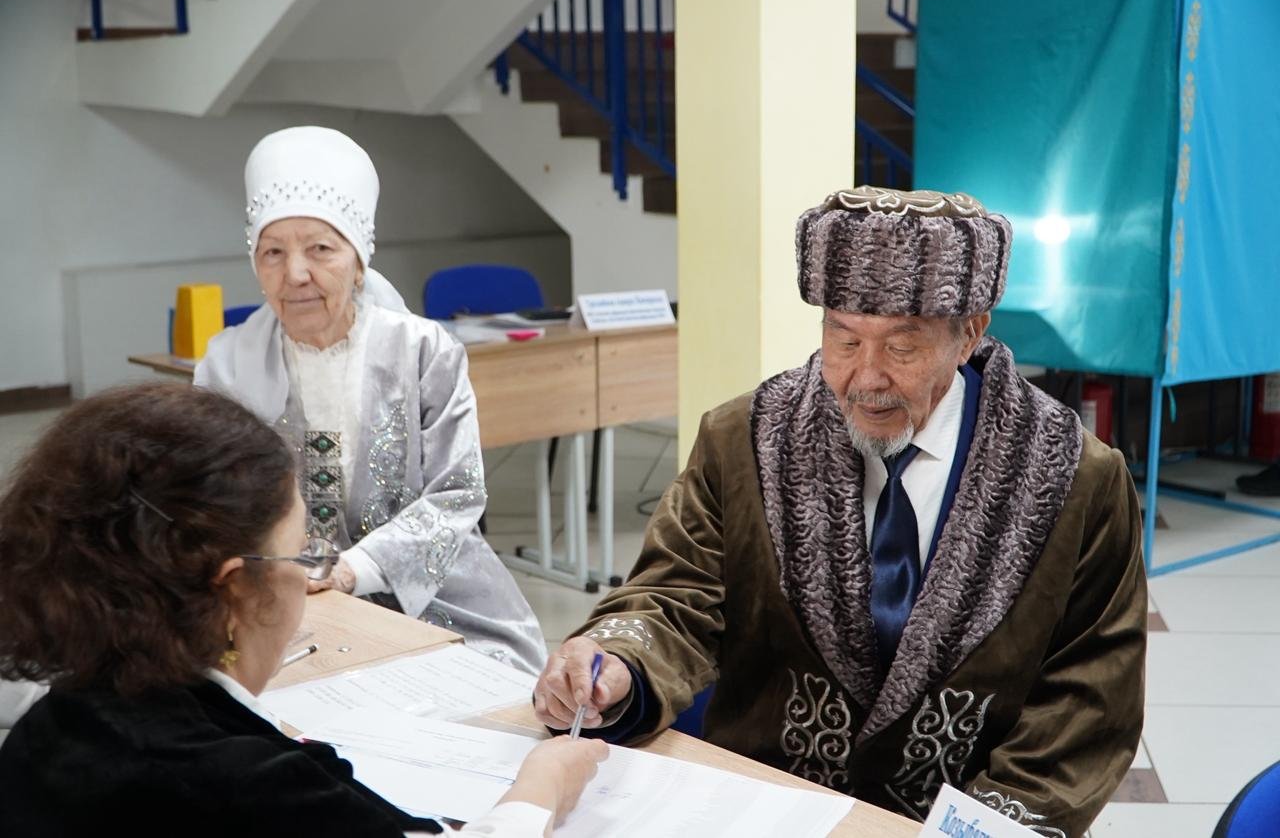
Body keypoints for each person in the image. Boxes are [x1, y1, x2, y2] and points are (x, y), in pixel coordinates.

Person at [532, 187, 1147, 837]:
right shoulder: (747, 442)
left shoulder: (1074, 478)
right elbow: (674, 596)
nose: (867, 378)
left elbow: (1086, 700)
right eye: (844, 338)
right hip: (764, 810)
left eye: (902, 347)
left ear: (969, 333)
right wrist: (615, 666)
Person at [0, 382, 606, 835]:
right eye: (300, 553)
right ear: (235, 588)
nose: (311, 573)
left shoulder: (49, 728)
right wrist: (541, 788)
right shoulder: (250, 787)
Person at [195, 126, 545, 675]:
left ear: (358, 260)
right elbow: (207, 504)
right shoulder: (225, 365)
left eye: (320, 249)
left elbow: (456, 494)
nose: (295, 274)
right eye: (273, 252)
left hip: (436, 598)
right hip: (281, 604)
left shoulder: (424, 351)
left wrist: (352, 570)